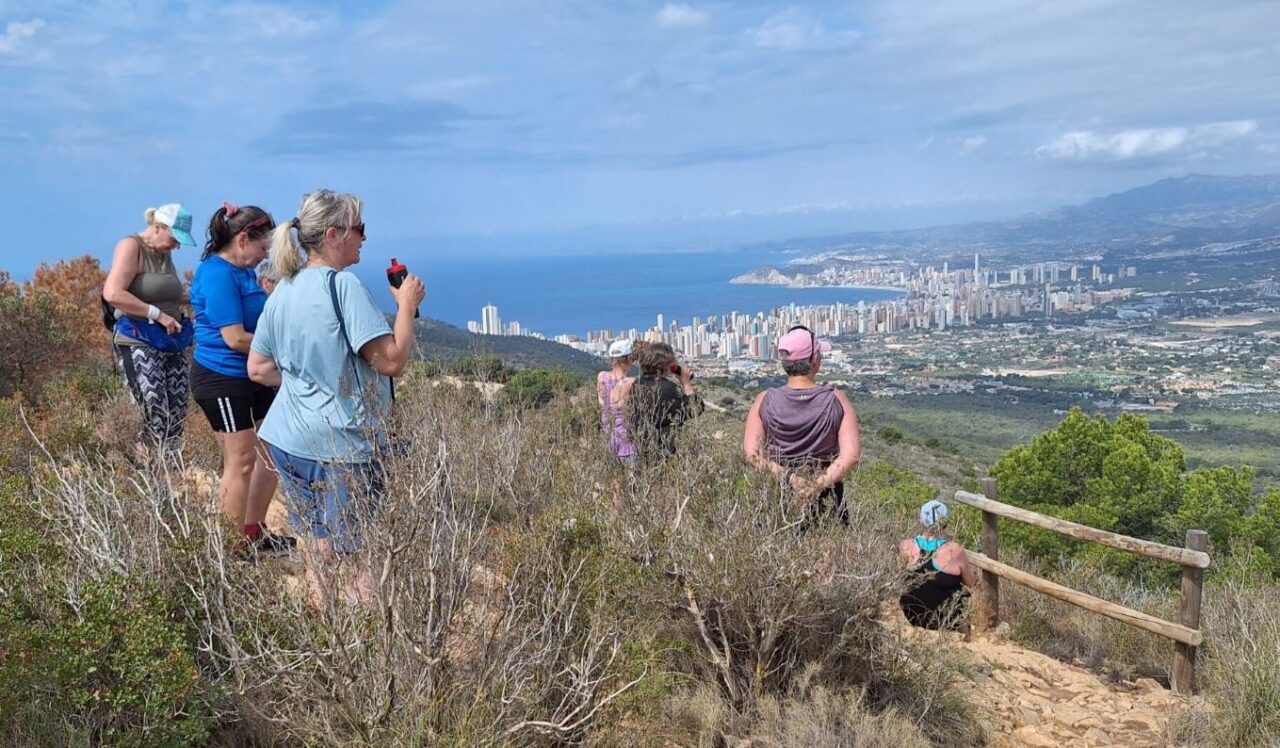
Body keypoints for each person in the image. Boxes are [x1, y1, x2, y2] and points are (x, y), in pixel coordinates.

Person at [248, 190, 424, 604]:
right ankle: (361, 652)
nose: (364, 237)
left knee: (316, 549)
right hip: (342, 446)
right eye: (359, 229)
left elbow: (257, 368)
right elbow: (392, 360)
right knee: (358, 559)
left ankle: (322, 641)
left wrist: (308, 379)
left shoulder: (284, 289)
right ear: (333, 235)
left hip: (288, 440)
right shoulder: (342, 286)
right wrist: (406, 305)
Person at [190, 202, 294, 556]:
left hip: (253, 375)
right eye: (263, 247)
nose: (264, 255)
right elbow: (234, 337)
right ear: (243, 238)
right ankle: (229, 550)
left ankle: (254, 532)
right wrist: (284, 352)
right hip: (222, 378)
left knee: (272, 450)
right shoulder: (217, 274)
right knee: (242, 461)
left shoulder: (244, 272)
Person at [102, 203, 197, 456]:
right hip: (138, 337)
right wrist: (158, 315)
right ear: (158, 227)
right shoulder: (131, 246)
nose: (176, 246)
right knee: (151, 410)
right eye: (175, 239)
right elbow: (113, 293)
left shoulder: (164, 252)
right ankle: (144, 476)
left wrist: (198, 299)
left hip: (170, 342)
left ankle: (167, 477)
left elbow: (164, 293)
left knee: (176, 414)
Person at [743, 325, 861, 523]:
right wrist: (816, 486)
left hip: (778, 496)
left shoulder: (764, 400)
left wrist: (791, 479)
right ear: (814, 360)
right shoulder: (837, 400)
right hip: (827, 499)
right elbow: (851, 455)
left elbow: (752, 454)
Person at [898, 499, 976, 634]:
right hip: (945, 619)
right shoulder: (954, 550)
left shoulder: (905, 546)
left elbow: (900, 578)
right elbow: (970, 583)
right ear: (945, 523)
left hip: (913, 617)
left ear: (921, 520)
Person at [623, 342, 703, 461]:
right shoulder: (667, 387)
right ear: (666, 364)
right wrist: (686, 383)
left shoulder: (637, 384)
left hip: (641, 449)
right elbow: (695, 409)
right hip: (663, 453)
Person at [597, 339, 636, 464]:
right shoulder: (630, 382)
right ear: (629, 359)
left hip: (608, 438)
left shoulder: (602, 376)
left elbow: (603, 403)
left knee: (614, 480)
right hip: (626, 440)